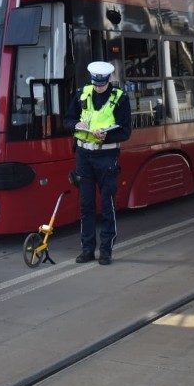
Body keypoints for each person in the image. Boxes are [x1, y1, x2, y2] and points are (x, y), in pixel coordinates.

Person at [63, 61, 132, 265]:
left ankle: (106, 250)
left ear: (109, 80)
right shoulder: (82, 93)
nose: (98, 88)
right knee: (86, 204)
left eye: (101, 85)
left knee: (107, 203)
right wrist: (77, 124)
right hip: (84, 155)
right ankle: (87, 249)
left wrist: (106, 137)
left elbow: (126, 131)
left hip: (107, 156)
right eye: (95, 84)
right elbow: (67, 120)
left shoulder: (120, 98)